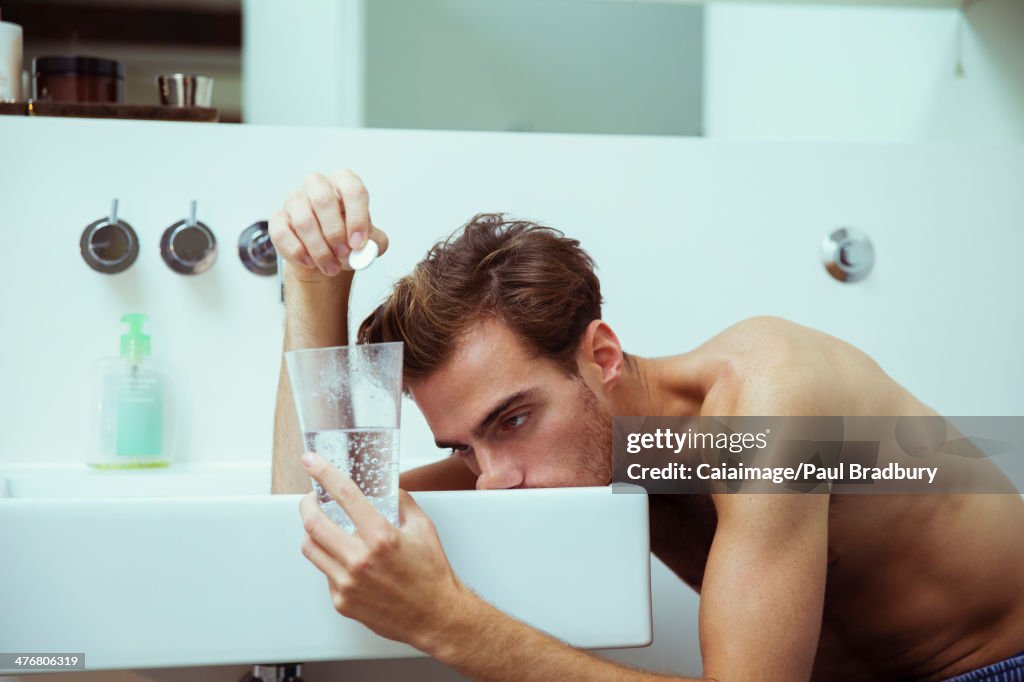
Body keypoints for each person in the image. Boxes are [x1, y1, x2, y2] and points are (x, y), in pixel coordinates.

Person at [269, 169, 1024, 682]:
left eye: (514, 419)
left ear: (601, 356)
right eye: (465, 447)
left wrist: (448, 623)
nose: (494, 481)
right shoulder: (600, 453)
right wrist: (313, 288)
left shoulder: (768, 400)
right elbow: (318, 519)